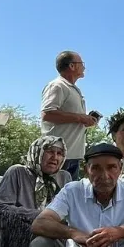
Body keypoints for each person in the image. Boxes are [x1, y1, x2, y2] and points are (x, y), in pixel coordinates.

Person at [40, 51, 96, 179]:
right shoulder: (57, 86)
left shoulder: (72, 88)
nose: (84, 67)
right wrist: (81, 118)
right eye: (81, 63)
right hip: (56, 157)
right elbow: (47, 114)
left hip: (72, 156)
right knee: (53, 191)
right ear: (72, 66)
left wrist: (85, 120)